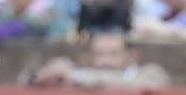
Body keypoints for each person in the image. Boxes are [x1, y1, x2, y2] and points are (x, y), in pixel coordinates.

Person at [30, 25, 170, 86]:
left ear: (132, 56)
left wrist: (77, 76)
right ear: (89, 57)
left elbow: (147, 85)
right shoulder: (74, 75)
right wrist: (46, 75)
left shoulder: (151, 73)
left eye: (114, 54)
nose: (106, 61)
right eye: (99, 54)